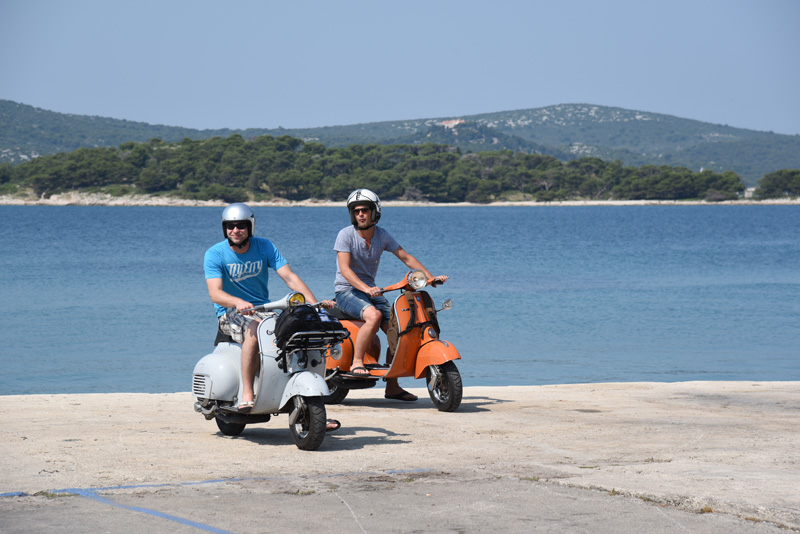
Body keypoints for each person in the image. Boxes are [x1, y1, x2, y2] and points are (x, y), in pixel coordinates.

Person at [204, 203, 340, 431]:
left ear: (250, 226)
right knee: (256, 329)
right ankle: (248, 389)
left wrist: (314, 305)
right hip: (231, 312)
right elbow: (215, 293)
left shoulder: (264, 246)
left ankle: (303, 397)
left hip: (263, 308)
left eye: (241, 226)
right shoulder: (215, 253)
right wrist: (237, 301)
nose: (235, 230)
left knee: (297, 329)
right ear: (224, 228)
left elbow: (290, 277)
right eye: (230, 226)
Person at [333, 189, 448, 401]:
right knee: (374, 316)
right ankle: (357, 361)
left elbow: (405, 256)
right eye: (356, 211)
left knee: (400, 330)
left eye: (365, 210)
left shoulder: (382, 235)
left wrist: (430, 278)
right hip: (346, 291)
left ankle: (392, 387)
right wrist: (366, 289)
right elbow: (346, 270)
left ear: (374, 212)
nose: (360, 214)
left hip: (372, 292)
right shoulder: (345, 235)